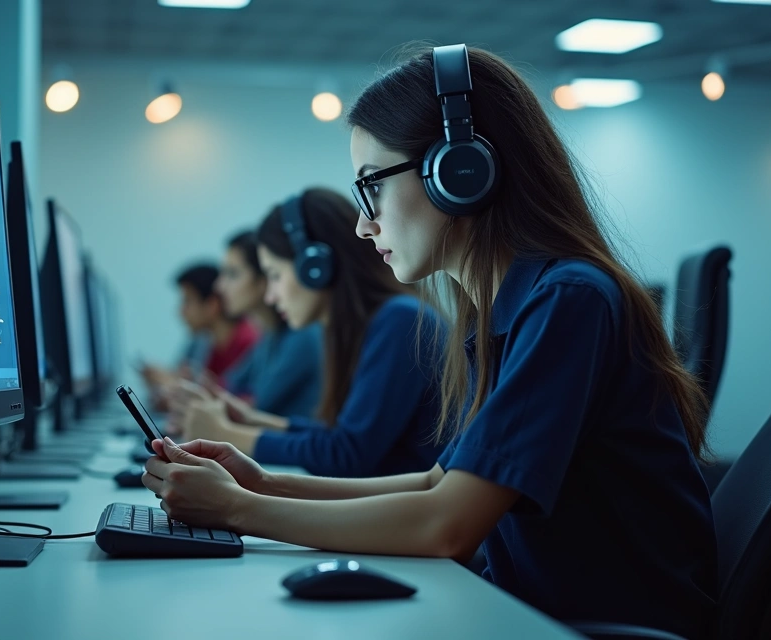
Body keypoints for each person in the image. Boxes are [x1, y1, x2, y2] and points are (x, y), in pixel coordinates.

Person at [143, 45, 716, 639]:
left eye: (373, 187)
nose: (363, 223)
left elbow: (448, 525)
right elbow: (437, 483)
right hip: (529, 611)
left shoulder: (568, 300)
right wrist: (261, 482)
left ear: (460, 170)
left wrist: (238, 509)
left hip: (595, 627)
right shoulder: (499, 312)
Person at [176, 188, 446, 478]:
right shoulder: (362, 327)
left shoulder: (400, 319)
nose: (270, 296)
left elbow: (348, 454)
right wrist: (252, 420)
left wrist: (226, 435)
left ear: (316, 267)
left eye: (275, 275)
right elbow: (340, 434)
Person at [211, 230, 323, 418]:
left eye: (232, 274)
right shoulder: (269, 335)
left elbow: (255, 407)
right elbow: (229, 386)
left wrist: (209, 398)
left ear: (263, 279)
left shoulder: (303, 334)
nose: (219, 287)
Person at [139, 263, 260, 397]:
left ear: (212, 305)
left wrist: (175, 386)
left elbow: (237, 398)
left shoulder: (249, 342)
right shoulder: (202, 342)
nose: (180, 312)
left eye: (187, 301)